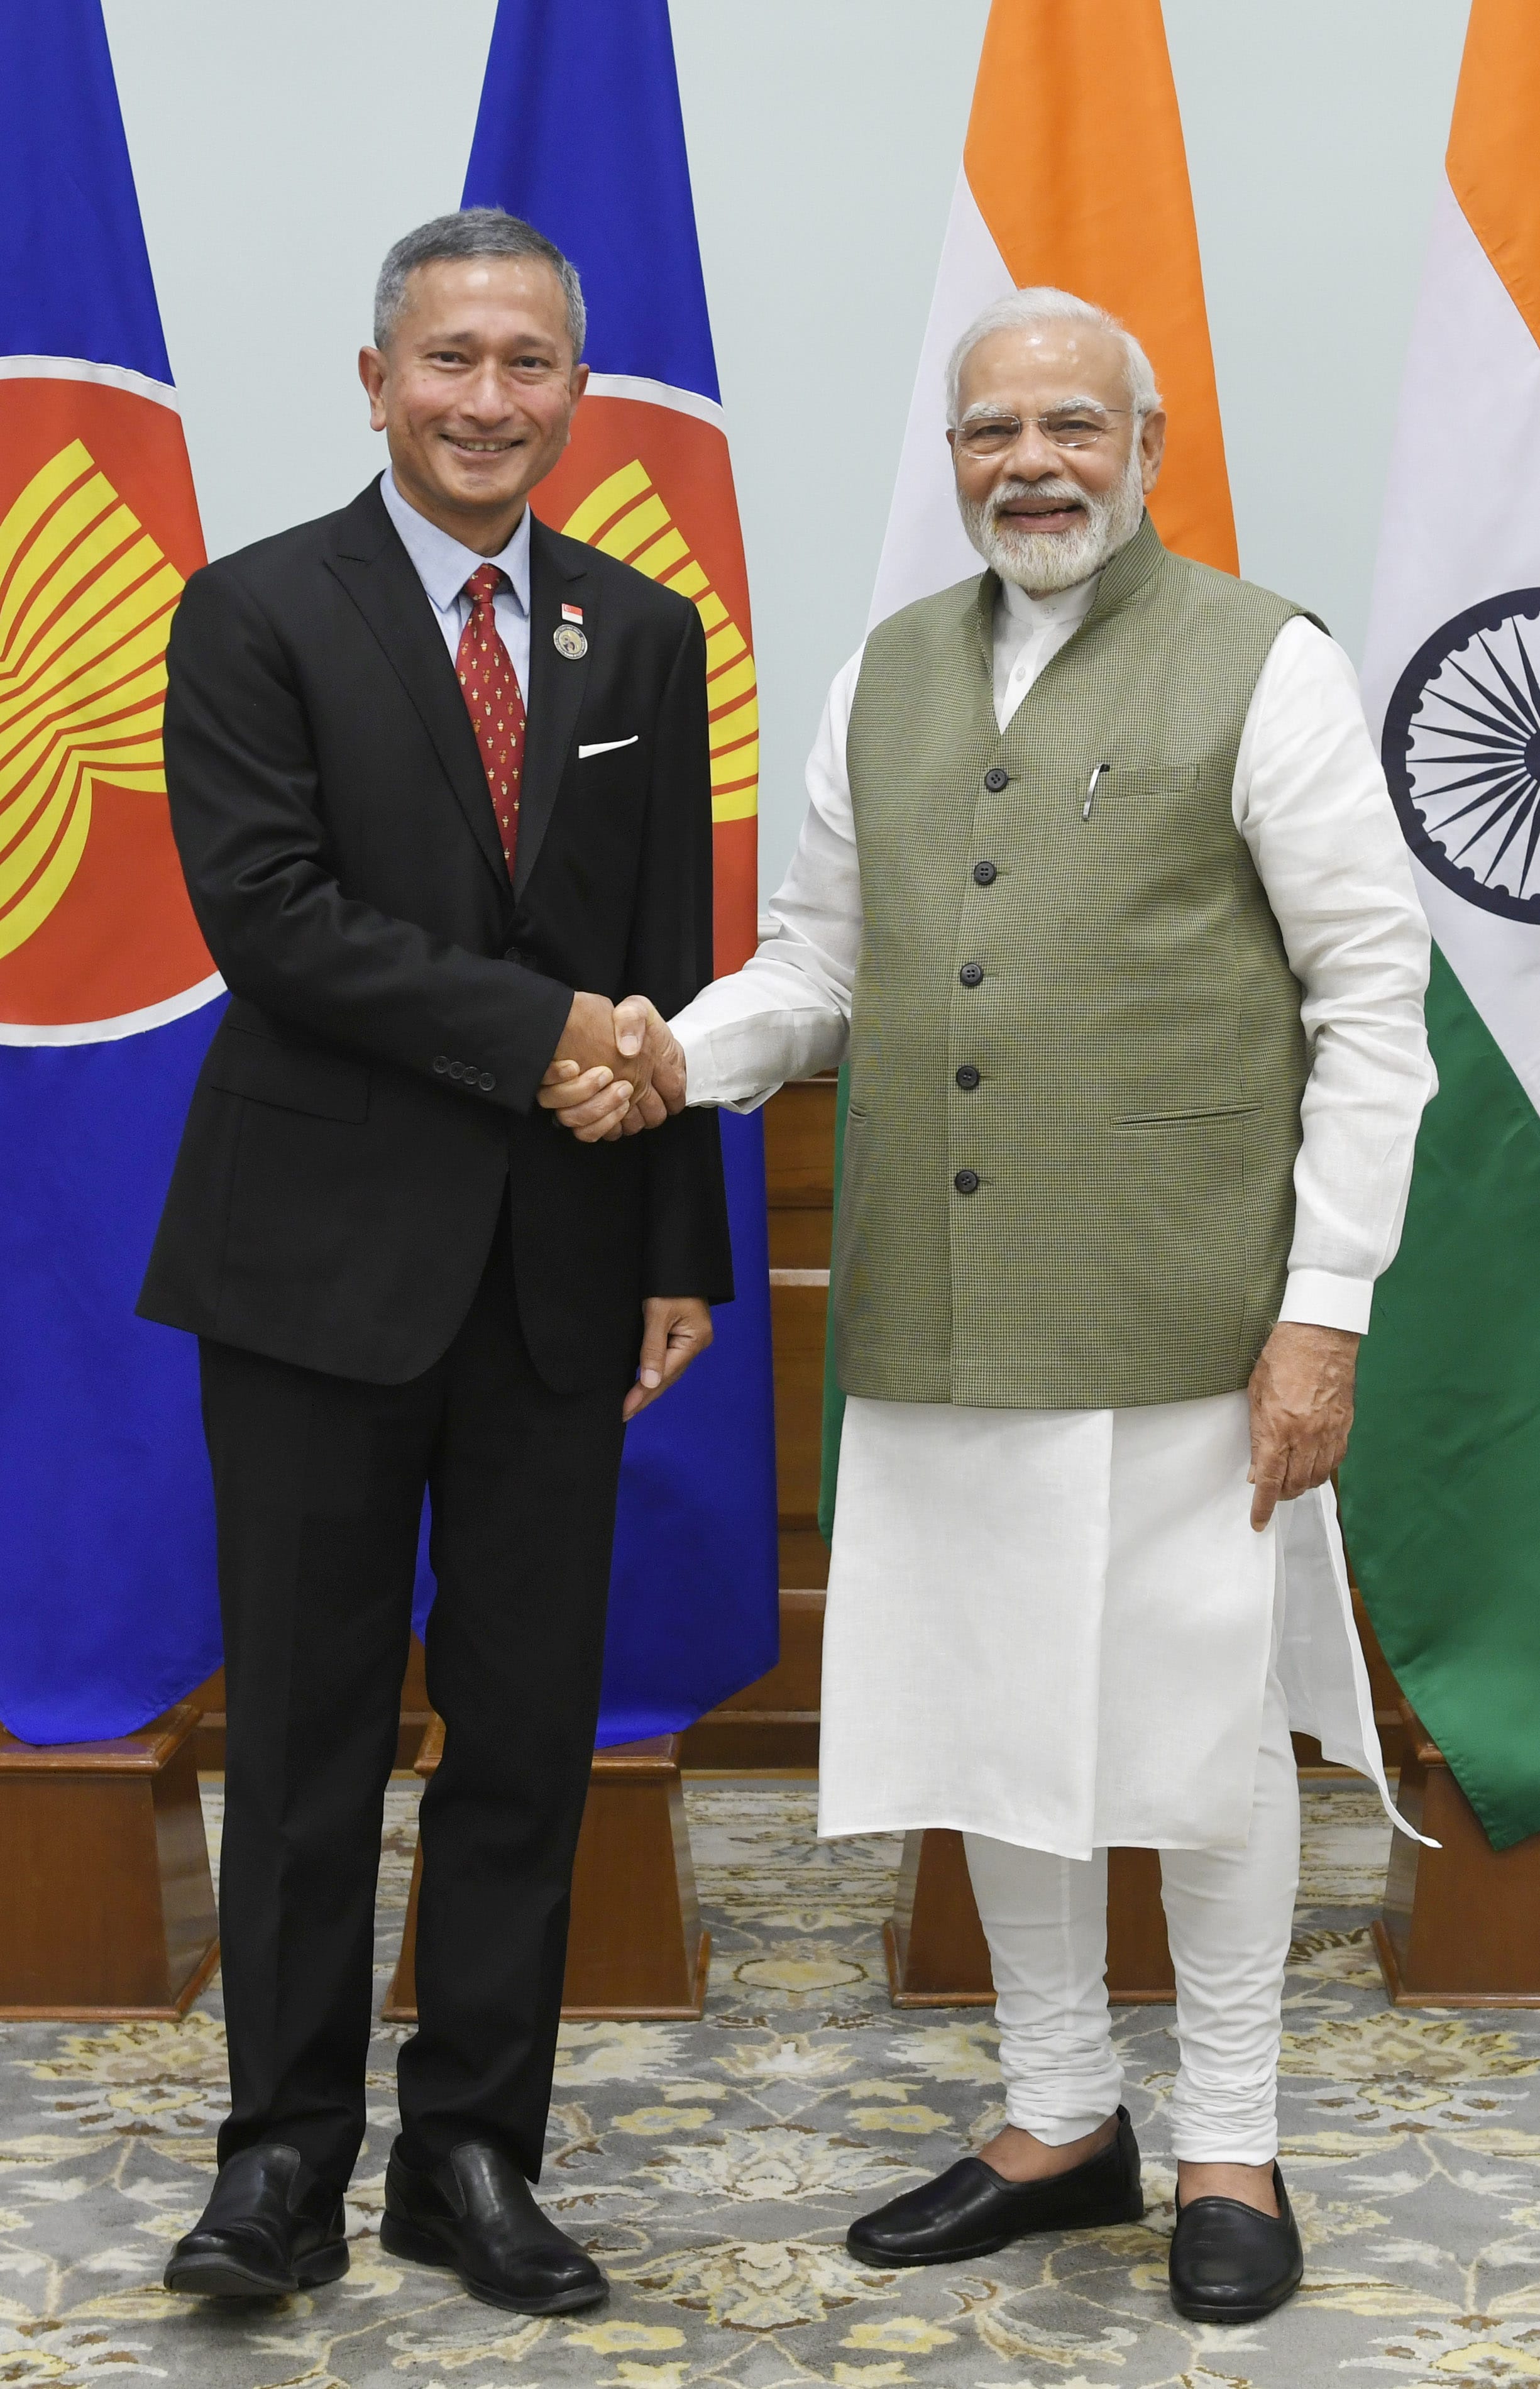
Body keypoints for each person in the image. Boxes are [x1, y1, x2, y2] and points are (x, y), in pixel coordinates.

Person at [541, 287, 1434, 2326]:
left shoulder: (1265, 662)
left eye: (1067, 425)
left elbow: (1370, 1010)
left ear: (1143, 445)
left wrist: (1323, 1312)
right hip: (939, 1317)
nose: (1026, 461)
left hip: (1188, 1314)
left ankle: (1225, 2137)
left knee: (1198, 1748)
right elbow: (817, 967)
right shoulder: (881, 681)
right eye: (985, 432)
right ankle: (1053, 2117)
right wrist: (683, 1055)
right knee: (997, 1732)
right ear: (950, 463)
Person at [140, 208, 731, 2315]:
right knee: (300, 1742)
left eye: (532, 366)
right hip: (310, 1272)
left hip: (564, 1278)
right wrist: (545, 1035)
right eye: (453, 362)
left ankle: (471, 2153)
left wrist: (682, 1241)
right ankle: (281, 2165)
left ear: (578, 391)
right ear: (377, 381)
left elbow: (662, 965)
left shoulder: (638, 639)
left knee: (522, 1734)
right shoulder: (251, 610)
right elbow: (272, 923)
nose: (492, 401)